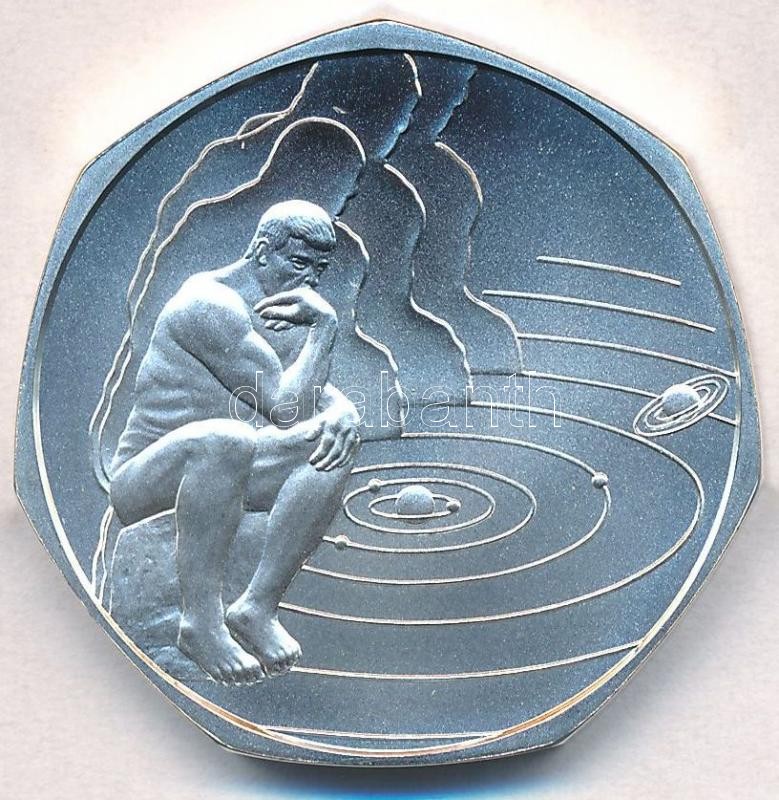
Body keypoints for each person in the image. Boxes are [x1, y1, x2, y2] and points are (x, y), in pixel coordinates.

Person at [109, 200, 360, 685]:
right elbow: (286, 408)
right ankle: (200, 623)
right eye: (299, 263)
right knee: (226, 439)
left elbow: (309, 388)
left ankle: (255, 607)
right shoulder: (207, 305)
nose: (309, 281)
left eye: (318, 270)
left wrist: (344, 411)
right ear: (262, 251)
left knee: (334, 440)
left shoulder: (274, 305)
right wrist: (325, 328)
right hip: (144, 481)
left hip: (230, 464)